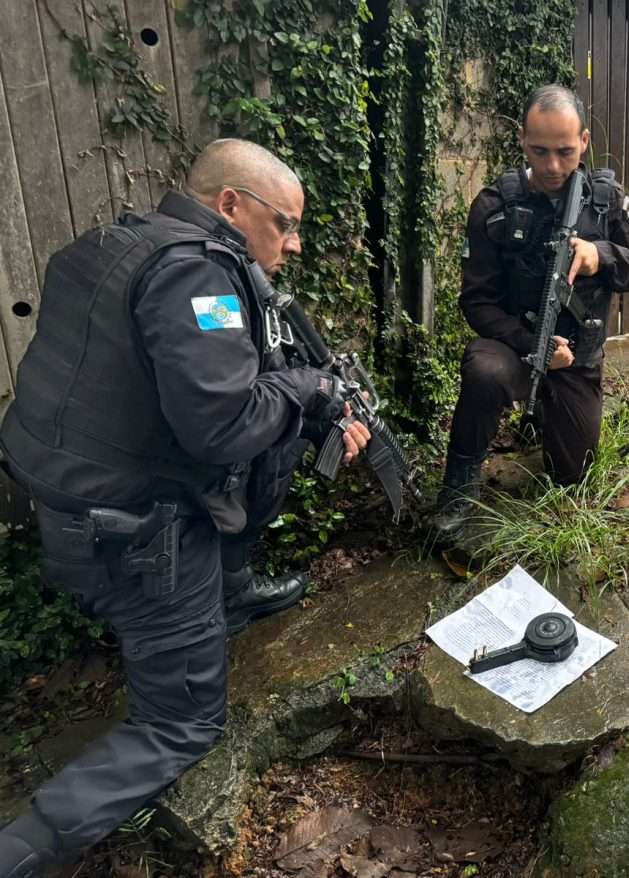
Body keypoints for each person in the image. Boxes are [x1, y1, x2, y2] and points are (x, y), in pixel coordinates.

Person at [0, 138, 369, 874]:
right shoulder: (198, 276)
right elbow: (221, 426)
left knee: (282, 433)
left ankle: (226, 593)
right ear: (231, 205)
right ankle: (22, 847)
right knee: (183, 725)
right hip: (136, 542)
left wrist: (301, 400)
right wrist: (306, 390)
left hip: (71, 500)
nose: (292, 246)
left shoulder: (115, 241)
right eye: (284, 225)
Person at [429, 85, 629, 543]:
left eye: (565, 152)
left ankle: (546, 419)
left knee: (574, 476)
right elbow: (476, 302)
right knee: (482, 367)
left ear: (585, 142)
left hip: (578, 360)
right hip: (518, 348)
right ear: (521, 140)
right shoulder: (495, 206)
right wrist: (527, 345)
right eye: (539, 151)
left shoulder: (607, 198)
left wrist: (601, 255)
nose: (553, 166)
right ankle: (459, 483)